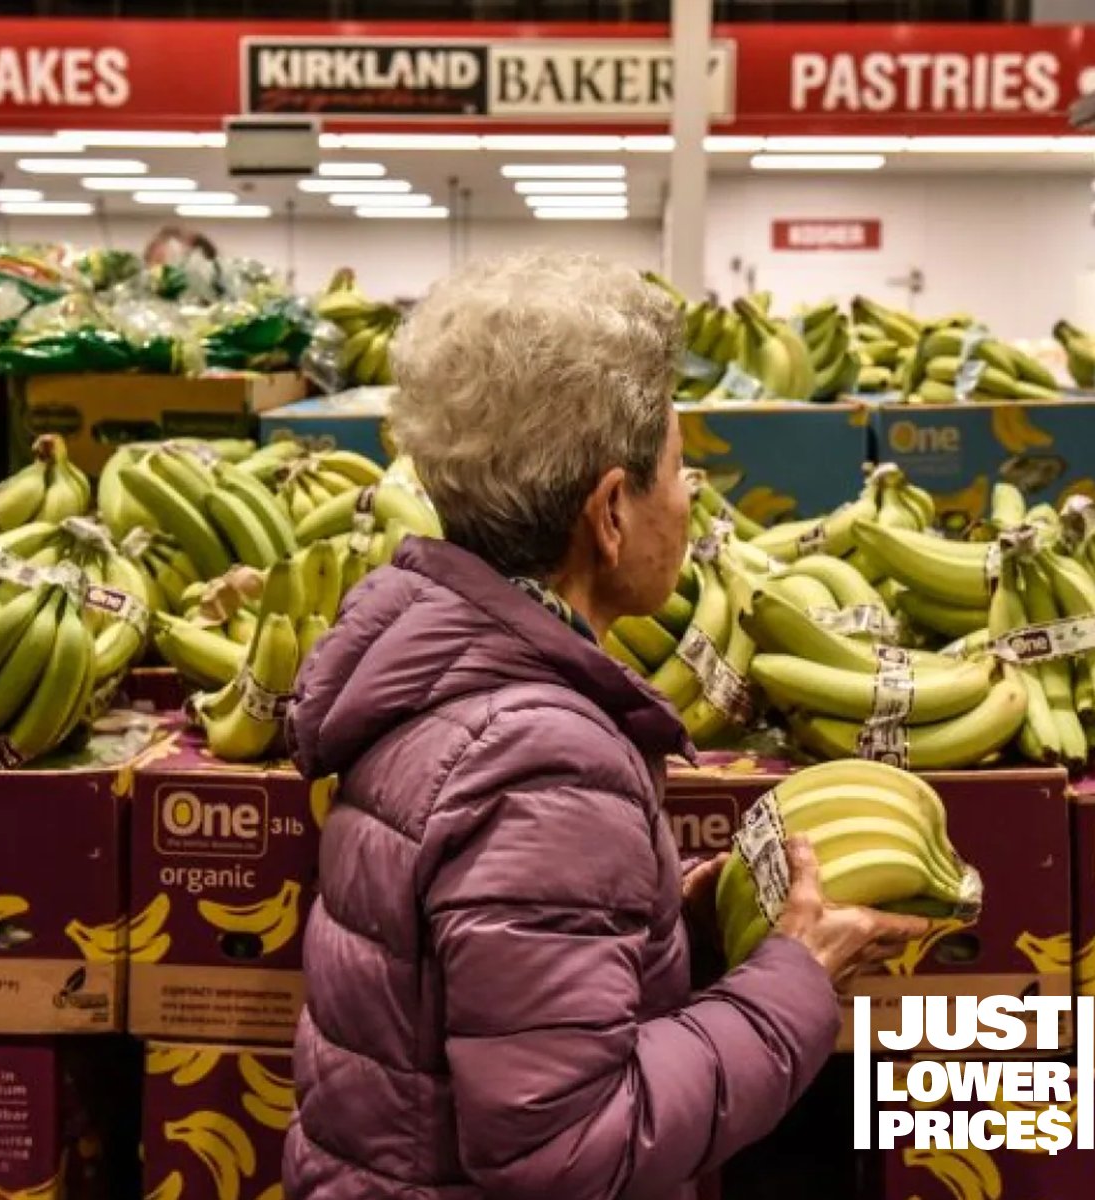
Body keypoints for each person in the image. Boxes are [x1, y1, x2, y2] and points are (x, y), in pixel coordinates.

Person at [283, 250, 930, 1200]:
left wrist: (678, 936)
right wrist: (795, 980)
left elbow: (484, 1005)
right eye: (675, 467)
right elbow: (572, 1149)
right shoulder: (542, 761)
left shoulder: (435, 674)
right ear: (610, 514)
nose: (692, 494)